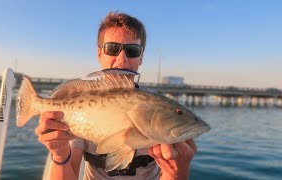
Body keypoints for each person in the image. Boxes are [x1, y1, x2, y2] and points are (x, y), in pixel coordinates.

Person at [35, 12, 197, 180]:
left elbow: (174, 170)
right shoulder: (81, 101)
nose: (122, 59)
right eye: (112, 49)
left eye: (132, 51)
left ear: (141, 57)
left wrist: (176, 172)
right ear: (100, 54)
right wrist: (60, 155)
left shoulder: (159, 108)